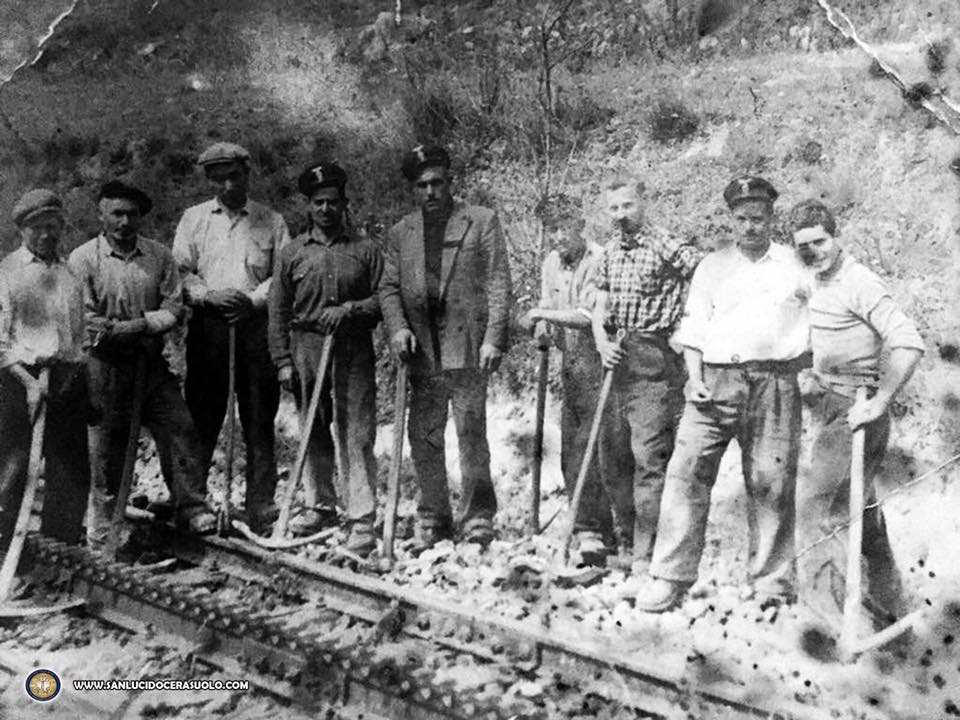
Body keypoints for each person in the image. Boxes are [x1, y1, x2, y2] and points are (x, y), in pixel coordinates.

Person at [638, 176, 810, 613]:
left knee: (772, 482)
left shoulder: (796, 264)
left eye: (758, 218)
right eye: (741, 219)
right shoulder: (713, 266)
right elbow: (694, 328)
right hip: (714, 383)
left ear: (772, 217)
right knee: (686, 474)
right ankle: (669, 577)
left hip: (775, 384)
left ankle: (771, 584)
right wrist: (693, 378)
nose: (750, 227)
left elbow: (823, 319)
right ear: (730, 220)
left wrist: (811, 369)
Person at [789, 198, 923, 633]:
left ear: (837, 236)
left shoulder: (860, 281)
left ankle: (828, 622)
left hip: (856, 412)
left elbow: (908, 342)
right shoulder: (813, 279)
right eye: (803, 245)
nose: (813, 251)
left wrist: (880, 401)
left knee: (816, 508)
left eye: (820, 241)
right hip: (830, 403)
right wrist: (814, 369)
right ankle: (889, 603)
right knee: (860, 507)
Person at [380, 144, 512, 549]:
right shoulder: (402, 232)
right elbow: (387, 288)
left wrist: (494, 337)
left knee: (471, 432)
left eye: (438, 182)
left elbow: (498, 283)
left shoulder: (481, 221)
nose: (431, 192)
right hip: (422, 351)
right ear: (413, 190)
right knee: (425, 436)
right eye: (422, 185)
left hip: (467, 347)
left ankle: (477, 515)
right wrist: (398, 328)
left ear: (450, 182)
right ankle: (433, 514)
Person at [70, 181, 216, 548]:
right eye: (116, 213)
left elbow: (174, 307)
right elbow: (82, 318)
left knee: (179, 426)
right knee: (107, 449)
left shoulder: (159, 256)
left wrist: (140, 326)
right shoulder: (84, 259)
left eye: (131, 214)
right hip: (104, 367)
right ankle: (104, 530)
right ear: (101, 216)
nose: (123, 221)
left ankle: (191, 506)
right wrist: (113, 332)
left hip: (150, 363)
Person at [172, 142, 290, 534]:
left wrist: (253, 301)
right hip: (209, 329)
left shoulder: (271, 221)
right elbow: (180, 274)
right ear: (209, 179)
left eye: (234, 175)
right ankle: (194, 503)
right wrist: (209, 295)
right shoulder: (194, 219)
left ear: (247, 174)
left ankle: (262, 504)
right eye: (218, 177)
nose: (227, 184)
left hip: (256, 329)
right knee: (202, 415)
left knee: (259, 416)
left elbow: (282, 276)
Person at [269, 162, 383, 556]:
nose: (325, 210)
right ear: (309, 207)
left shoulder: (366, 249)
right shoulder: (292, 253)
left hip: (353, 350)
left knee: (357, 433)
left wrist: (350, 309)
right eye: (318, 203)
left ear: (344, 204)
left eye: (333, 202)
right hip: (307, 347)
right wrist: (283, 360)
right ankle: (320, 505)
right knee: (314, 427)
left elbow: (383, 300)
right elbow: (278, 311)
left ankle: (361, 517)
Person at [590, 177, 701, 572]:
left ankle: (647, 555)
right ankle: (624, 543)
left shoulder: (665, 243)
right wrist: (601, 342)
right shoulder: (608, 252)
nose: (621, 216)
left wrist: (685, 327)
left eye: (628, 206)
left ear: (644, 202)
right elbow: (599, 309)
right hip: (614, 361)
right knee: (612, 458)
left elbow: (705, 279)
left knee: (648, 459)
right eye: (614, 209)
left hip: (654, 362)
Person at [519, 193, 626, 565]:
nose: (558, 236)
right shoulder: (552, 261)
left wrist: (542, 314)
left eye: (564, 228)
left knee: (600, 448)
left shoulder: (599, 259)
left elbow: (585, 314)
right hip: (572, 366)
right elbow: (549, 307)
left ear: (581, 227)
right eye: (551, 230)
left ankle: (603, 531)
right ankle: (586, 528)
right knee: (572, 448)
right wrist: (541, 328)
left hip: (604, 364)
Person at [0, 189, 89, 549]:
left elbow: (78, 337)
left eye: (52, 227)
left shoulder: (70, 274)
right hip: (19, 381)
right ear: (23, 230)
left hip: (66, 380)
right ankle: (6, 552)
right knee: (13, 468)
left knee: (70, 471)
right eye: (37, 228)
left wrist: (76, 377)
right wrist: (28, 382)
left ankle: (59, 552)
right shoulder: (8, 272)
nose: (46, 235)